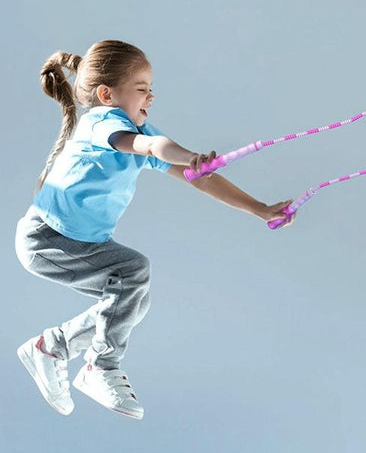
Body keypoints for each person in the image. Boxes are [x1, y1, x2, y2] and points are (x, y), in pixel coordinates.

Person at [15, 40, 295, 420]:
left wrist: (258, 208)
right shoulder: (101, 123)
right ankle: (101, 366)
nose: (151, 96)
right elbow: (150, 146)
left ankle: (53, 346)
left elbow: (200, 179)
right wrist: (188, 155)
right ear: (106, 94)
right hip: (47, 239)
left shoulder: (135, 130)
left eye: (150, 88)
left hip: (76, 242)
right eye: (142, 88)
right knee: (133, 272)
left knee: (132, 302)